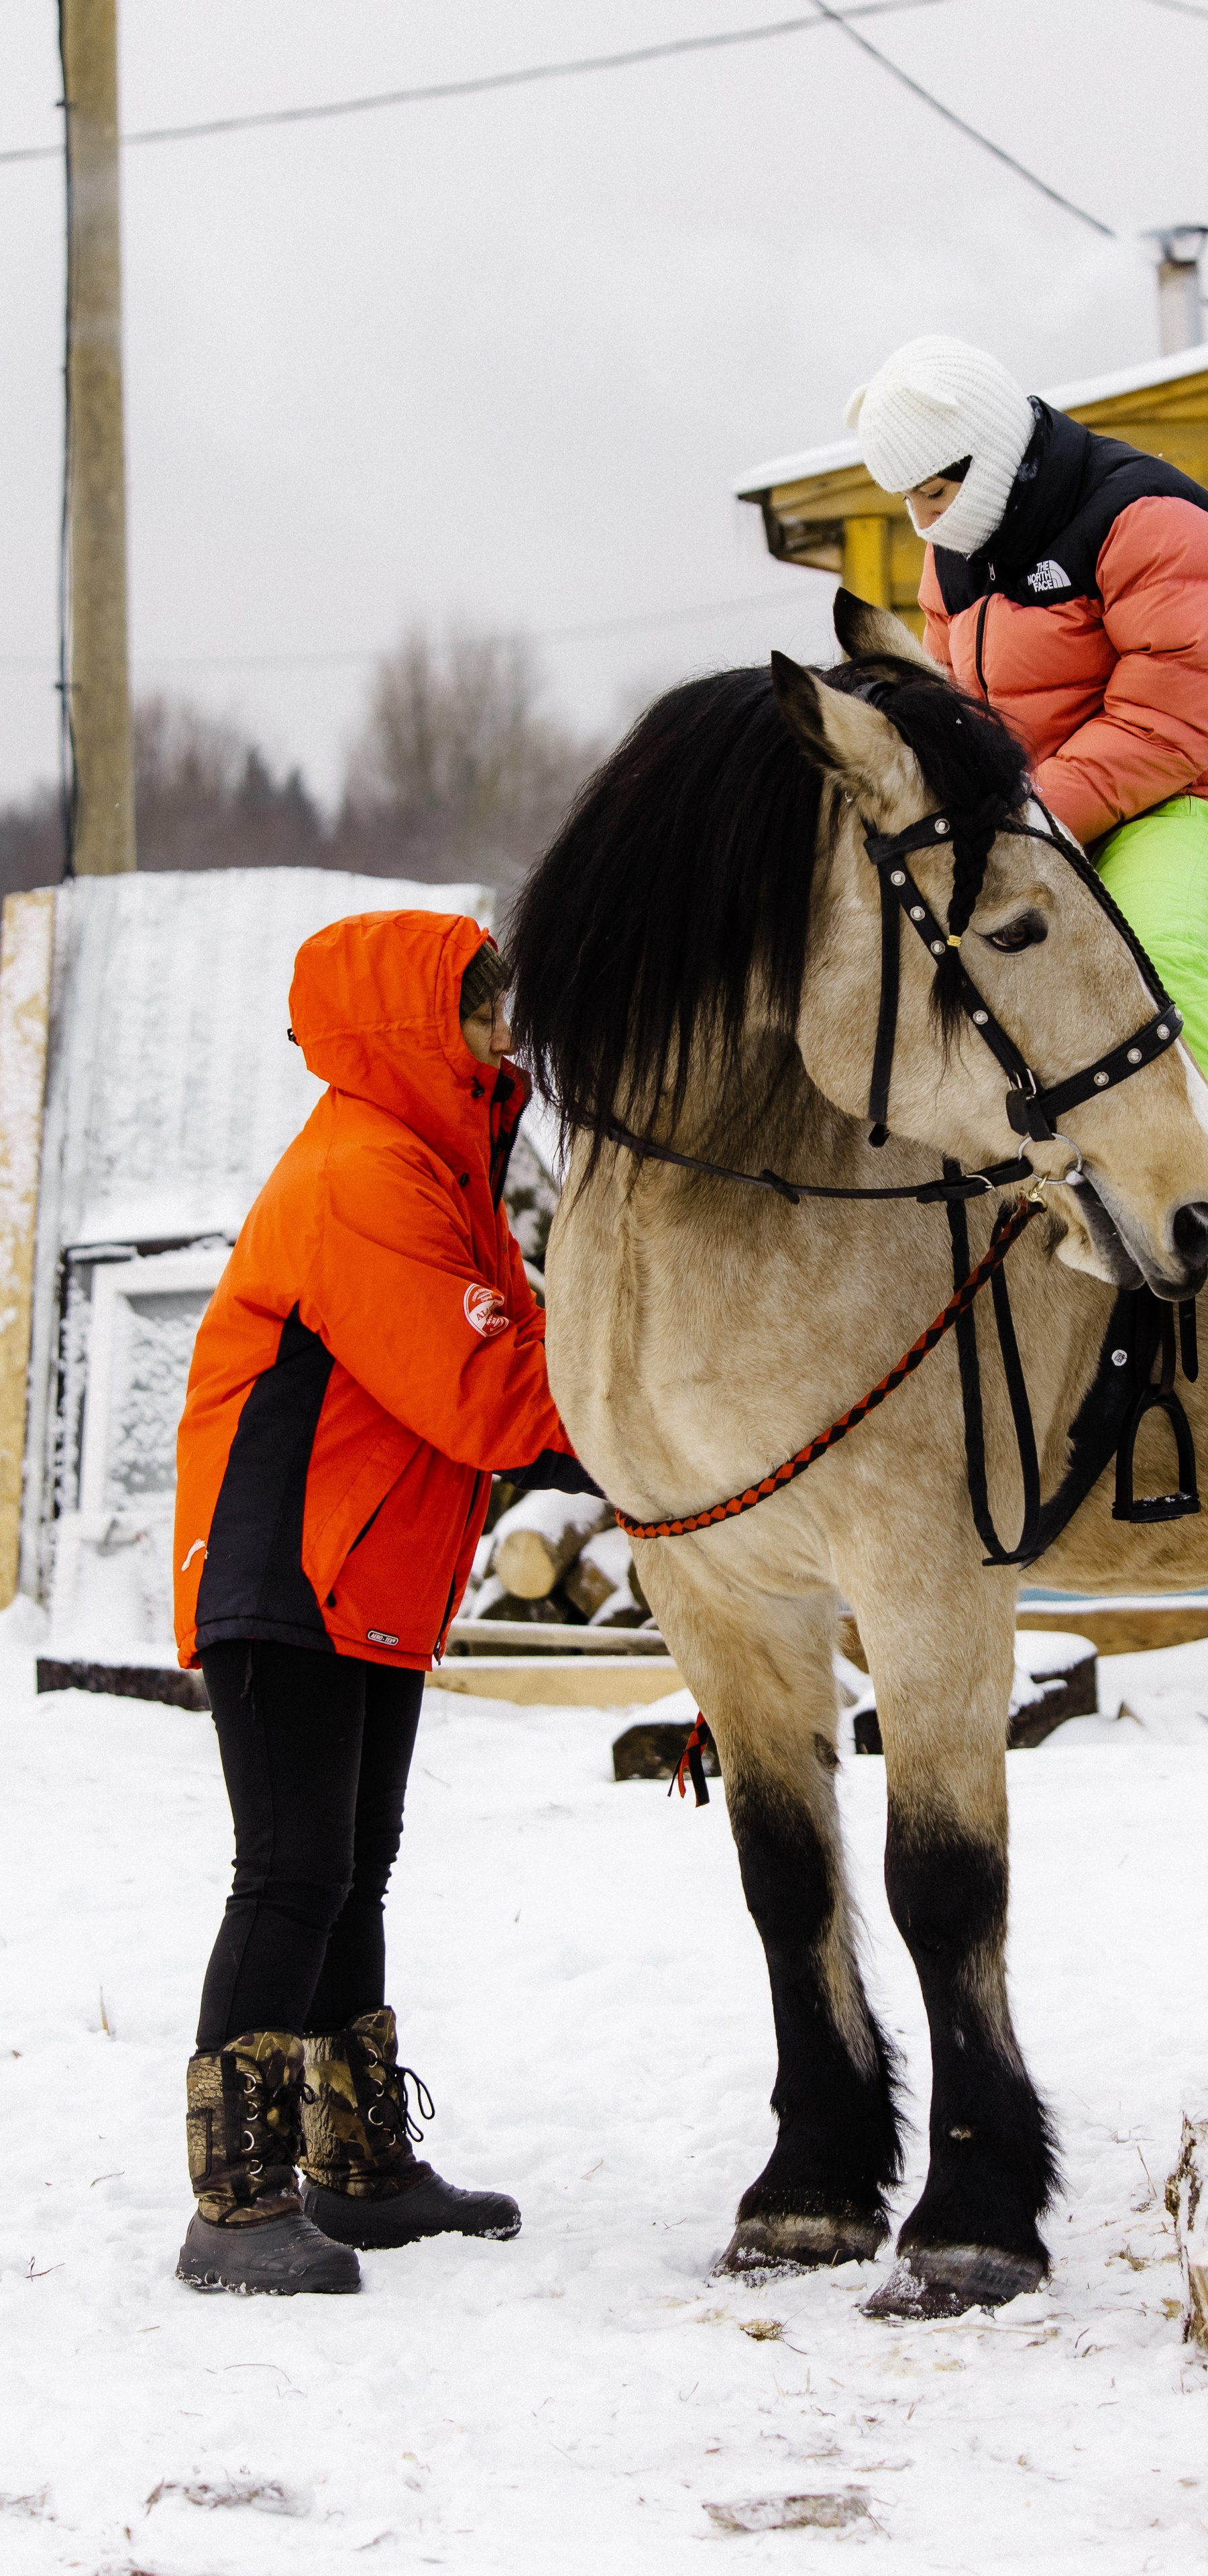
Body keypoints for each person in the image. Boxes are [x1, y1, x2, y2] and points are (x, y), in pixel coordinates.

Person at [844, 335, 1208, 1401]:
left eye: (940, 487)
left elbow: (1171, 724)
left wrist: (1025, 818)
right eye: (908, 498)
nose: (926, 518)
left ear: (997, 449)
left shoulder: (1149, 522)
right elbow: (964, 717)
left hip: (1185, 807)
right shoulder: (956, 558)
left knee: (1149, 966)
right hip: (1040, 820)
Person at [171, 911, 599, 2296]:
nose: (502, 1037)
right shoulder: (365, 1173)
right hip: (288, 1573)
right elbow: (488, 1397)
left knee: (350, 1870)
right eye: (480, 1015)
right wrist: (660, 1421)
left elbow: (516, 1352)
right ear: (418, 1028)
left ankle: (356, 2167)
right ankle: (235, 2203)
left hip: (369, 1578)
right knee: (290, 1874)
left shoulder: (440, 1167)